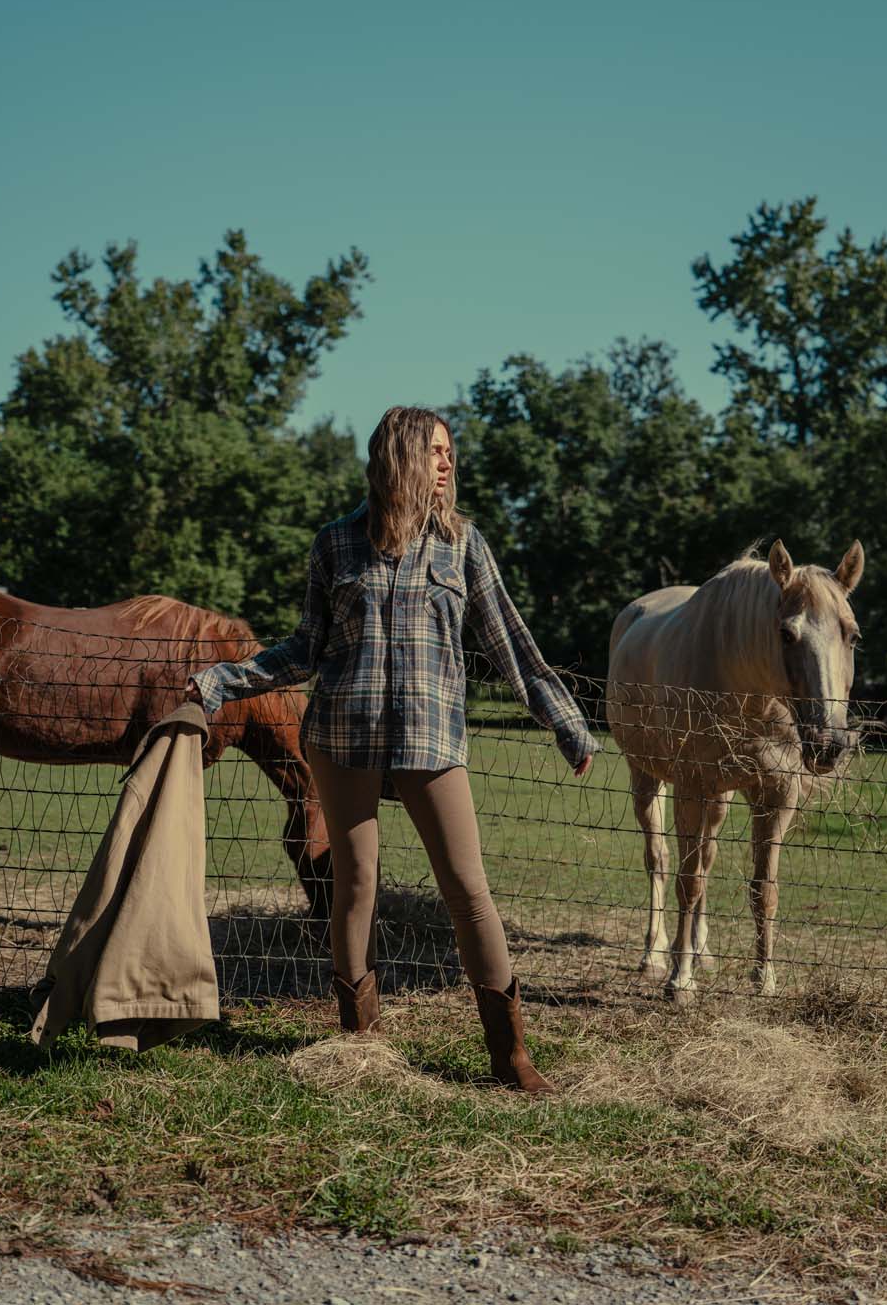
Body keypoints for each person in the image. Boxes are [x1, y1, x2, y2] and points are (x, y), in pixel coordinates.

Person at [186, 406, 598, 1094]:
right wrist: (219, 681)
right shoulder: (335, 545)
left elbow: (512, 647)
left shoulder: (463, 545)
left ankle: (511, 1056)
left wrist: (565, 722)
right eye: (434, 451)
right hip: (342, 734)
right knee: (354, 887)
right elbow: (302, 650)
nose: (447, 464)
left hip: (430, 737)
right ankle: (361, 1045)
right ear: (399, 456)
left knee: (468, 891)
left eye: (450, 453)